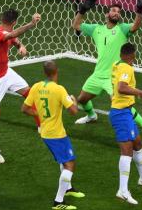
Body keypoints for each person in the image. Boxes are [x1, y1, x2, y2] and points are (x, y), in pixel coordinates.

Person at [71, 0, 142, 141]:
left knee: (120, 104)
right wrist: (82, 10)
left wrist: (139, 9)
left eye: (118, 12)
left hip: (113, 76)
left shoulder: (122, 29)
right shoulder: (96, 29)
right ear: (107, 14)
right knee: (82, 99)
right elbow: (76, 25)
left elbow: (135, 26)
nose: (116, 13)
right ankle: (92, 115)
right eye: (114, 10)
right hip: (98, 73)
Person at [22, 61, 85, 210]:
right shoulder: (59, 90)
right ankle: (58, 202)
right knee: (70, 164)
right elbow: (74, 111)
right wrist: (74, 100)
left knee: (63, 161)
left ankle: (68, 189)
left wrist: (38, 114)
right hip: (56, 134)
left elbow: (24, 108)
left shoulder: (36, 87)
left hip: (46, 131)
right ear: (56, 71)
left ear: (45, 73)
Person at [0, 9, 41, 163]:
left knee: (30, 93)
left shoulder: (5, 31)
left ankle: (41, 126)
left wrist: (20, 46)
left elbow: (13, 38)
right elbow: (11, 36)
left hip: (6, 72)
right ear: (14, 22)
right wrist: (31, 24)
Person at [109, 43, 142, 205]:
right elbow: (122, 88)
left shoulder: (116, 65)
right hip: (121, 114)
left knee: (138, 144)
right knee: (126, 152)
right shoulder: (127, 69)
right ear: (132, 56)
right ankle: (122, 190)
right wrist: (141, 92)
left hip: (125, 112)